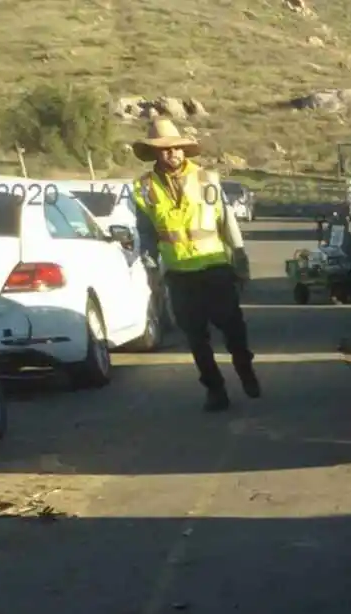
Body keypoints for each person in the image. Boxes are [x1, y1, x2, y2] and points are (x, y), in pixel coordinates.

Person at [130, 115, 258, 412]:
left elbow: (227, 222)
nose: (171, 153)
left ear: (183, 150)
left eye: (175, 148)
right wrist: (151, 271)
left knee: (234, 330)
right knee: (196, 339)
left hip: (215, 268)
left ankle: (244, 368)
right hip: (179, 275)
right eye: (163, 149)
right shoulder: (144, 189)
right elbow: (146, 233)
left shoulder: (205, 179)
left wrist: (240, 261)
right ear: (154, 154)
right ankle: (215, 390)